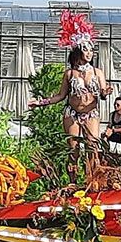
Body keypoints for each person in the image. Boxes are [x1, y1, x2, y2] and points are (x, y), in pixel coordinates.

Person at [29, 11, 111, 147]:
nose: (89, 53)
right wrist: (41, 102)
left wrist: (105, 92)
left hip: (90, 113)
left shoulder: (98, 73)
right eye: (86, 50)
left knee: (93, 147)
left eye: (91, 50)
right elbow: (61, 96)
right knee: (73, 150)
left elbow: (102, 93)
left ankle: (91, 169)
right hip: (72, 114)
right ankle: (72, 168)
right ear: (78, 51)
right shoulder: (70, 74)